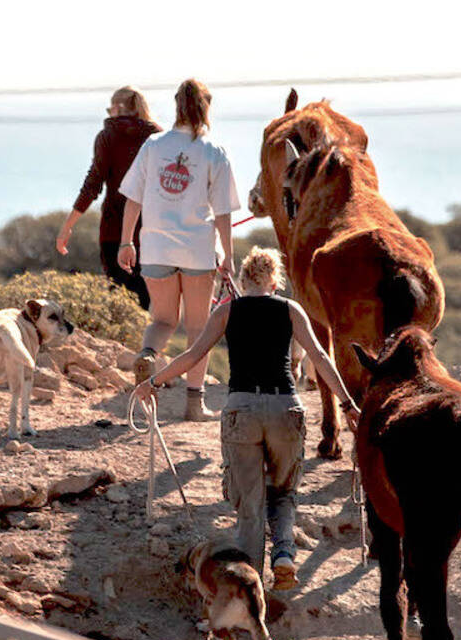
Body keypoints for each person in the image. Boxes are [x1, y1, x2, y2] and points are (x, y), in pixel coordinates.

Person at [135, 248, 360, 592]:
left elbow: (193, 355)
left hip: (241, 409)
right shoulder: (291, 309)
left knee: (250, 505)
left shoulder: (226, 310)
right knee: (283, 492)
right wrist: (347, 404)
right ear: (274, 280)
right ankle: (283, 555)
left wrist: (153, 382)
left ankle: (249, 588)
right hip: (285, 407)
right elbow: (319, 356)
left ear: (243, 279)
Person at [117, 78, 241, 421]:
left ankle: (147, 354)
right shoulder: (214, 152)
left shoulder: (153, 145)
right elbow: (223, 212)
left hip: (155, 248)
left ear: (176, 106)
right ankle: (194, 405)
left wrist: (126, 241)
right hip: (197, 251)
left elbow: (133, 198)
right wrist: (229, 256)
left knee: (163, 320)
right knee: (198, 330)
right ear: (206, 107)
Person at [57, 86, 161, 309]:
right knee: (148, 301)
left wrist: (68, 226)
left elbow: (92, 185)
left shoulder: (108, 136)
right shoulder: (158, 137)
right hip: (153, 230)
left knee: (120, 302)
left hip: (114, 230)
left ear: (117, 108)